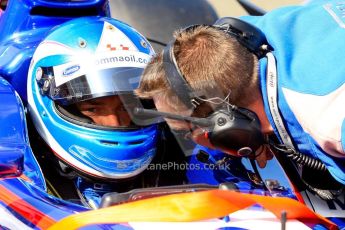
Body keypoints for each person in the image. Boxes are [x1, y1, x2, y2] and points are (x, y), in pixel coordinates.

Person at [135, 0, 345, 188]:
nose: (190, 140)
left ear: (226, 125)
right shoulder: (257, 33)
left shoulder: (329, 121)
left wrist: (242, 139)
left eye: (185, 132)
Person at [26, 16, 187, 208]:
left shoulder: (179, 152)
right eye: (93, 108)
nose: (114, 122)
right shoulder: (20, 178)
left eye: (127, 107)